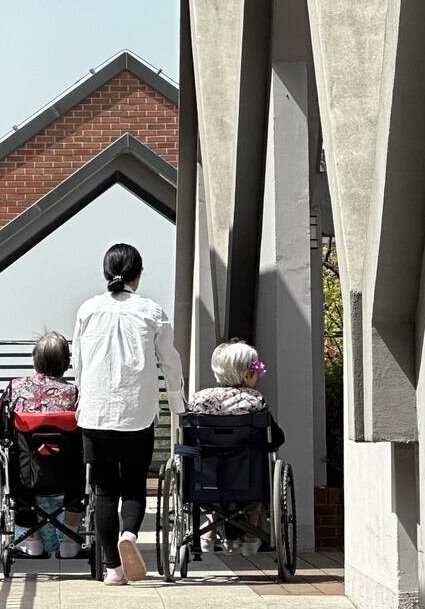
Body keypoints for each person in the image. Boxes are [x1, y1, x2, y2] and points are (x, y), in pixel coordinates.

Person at [73, 243, 185, 586]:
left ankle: (112, 569)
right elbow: (170, 360)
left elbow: (77, 360)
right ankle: (130, 536)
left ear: (107, 273)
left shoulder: (88, 310)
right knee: (135, 483)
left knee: (104, 490)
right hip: (137, 411)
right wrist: (178, 404)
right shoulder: (150, 310)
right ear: (138, 274)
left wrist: (83, 396)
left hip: (94, 414)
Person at [0, 331, 84, 559]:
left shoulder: (16, 389)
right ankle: (70, 541)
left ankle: (32, 541)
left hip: (26, 477)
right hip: (69, 476)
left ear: (34, 361)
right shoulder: (75, 393)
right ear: (66, 364)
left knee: (14, 466)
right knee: (82, 466)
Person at [188, 339, 284, 556]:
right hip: (247, 477)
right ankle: (251, 534)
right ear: (248, 375)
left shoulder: (200, 399)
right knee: (261, 468)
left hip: (207, 478)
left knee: (209, 474)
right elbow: (276, 437)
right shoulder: (255, 401)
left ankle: (208, 531)